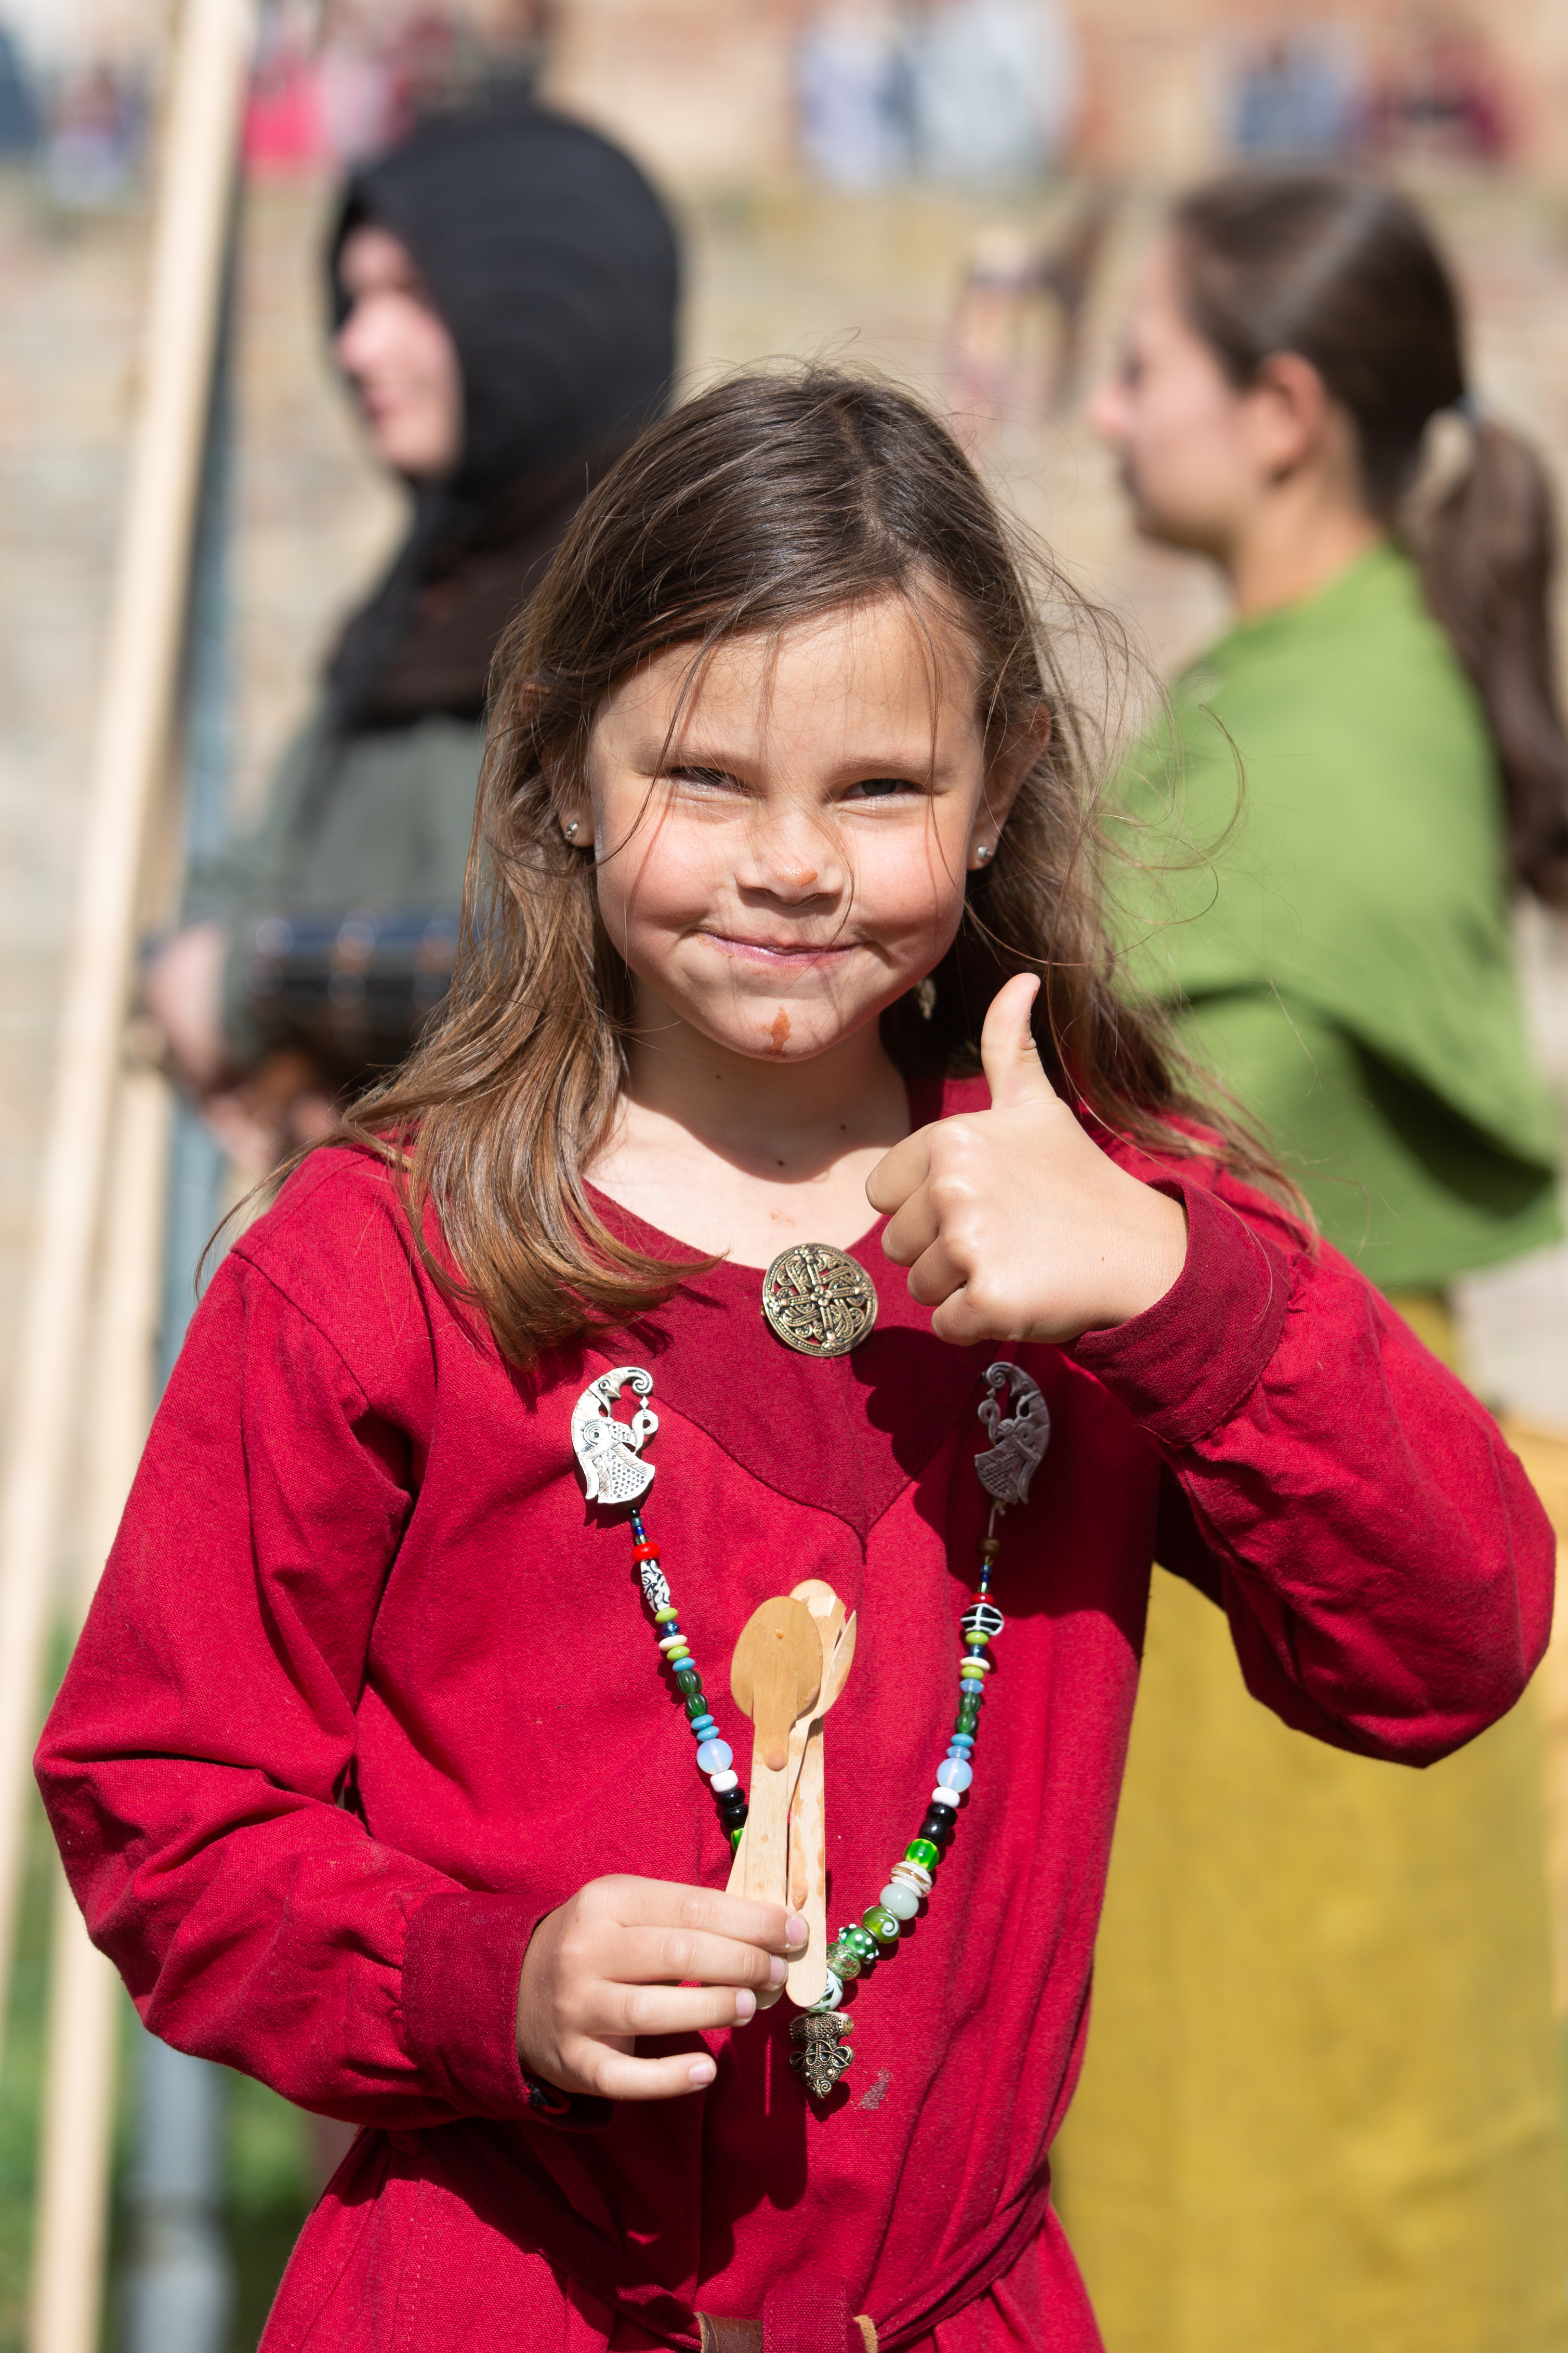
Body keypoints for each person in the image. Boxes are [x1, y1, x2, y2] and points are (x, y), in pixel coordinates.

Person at [36, 372, 1555, 2353]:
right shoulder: (378, 1260)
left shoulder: (1091, 1214)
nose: (789, 863)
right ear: (561, 765)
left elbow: (1445, 1637)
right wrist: (479, 1979)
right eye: (701, 776)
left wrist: (1175, 1288)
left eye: (877, 788)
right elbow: (164, 1798)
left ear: (997, 787)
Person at [1060, 172, 1568, 2352]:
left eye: (1138, 369)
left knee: (1301, 2163)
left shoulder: (1323, 720)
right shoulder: (1296, 679)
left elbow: (1107, 1103)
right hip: (1281, 1493)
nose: (1102, 416)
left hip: (1300, 1521)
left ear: (1280, 412)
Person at [146, 93, 679, 1165]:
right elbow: (240, 884)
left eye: (406, 294)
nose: (354, 345)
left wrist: (257, 986)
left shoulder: (655, 610)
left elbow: (606, 951)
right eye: (351, 300)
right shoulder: (421, 596)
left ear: (540, 293)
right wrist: (282, 1062)